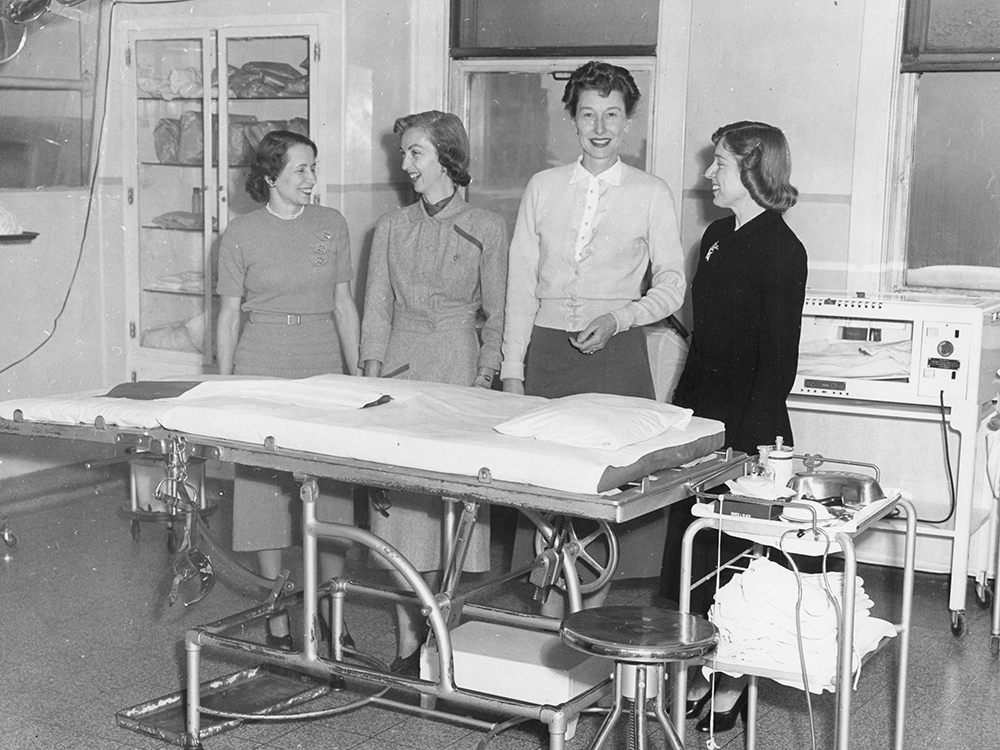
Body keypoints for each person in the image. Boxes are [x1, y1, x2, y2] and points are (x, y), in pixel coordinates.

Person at [499, 60, 686, 610]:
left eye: (612, 114)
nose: (599, 127)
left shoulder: (651, 192)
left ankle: (596, 626)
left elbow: (672, 286)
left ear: (629, 122)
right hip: (549, 358)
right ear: (571, 120)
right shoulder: (543, 186)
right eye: (587, 114)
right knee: (548, 494)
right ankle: (555, 621)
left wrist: (623, 316)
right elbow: (520, 286)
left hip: (617, 356)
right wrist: (513, 369)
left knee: (610, 495)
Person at [660, 121, 807, 733]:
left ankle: (733, 683)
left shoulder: (783, 249)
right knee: (694, 557)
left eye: (718, 163)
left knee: (740, 563)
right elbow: (702, 341)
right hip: (701, 416)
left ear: (752, 169)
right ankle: (702, 668)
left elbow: (779, 364)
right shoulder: (718, 236)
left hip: (750, 427)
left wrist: (744, 453)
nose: (707, 174)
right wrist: (680, 423)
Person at [360, 110, 508, 676]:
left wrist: (484, 380)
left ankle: (443, 637)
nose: (405, 165)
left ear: (447, 156)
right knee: (397, 511)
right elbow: (376, 309)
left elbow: (494, 315)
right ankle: (404, 642)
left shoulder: (487, 227)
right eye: (403, 154)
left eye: (415, 153)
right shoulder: (391, 227)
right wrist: (370, 385)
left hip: (455, 370)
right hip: (398, 372)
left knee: (449, 511)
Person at [216, 130, 361, 650]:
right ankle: (276, 612)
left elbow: (344, 304)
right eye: (301, 170)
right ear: (271, 176)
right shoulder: (240, 232)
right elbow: (229, 314)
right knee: (263, 493)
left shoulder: (332, 224)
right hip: (262, 362)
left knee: (332, 490)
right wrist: (226, 383)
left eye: (314, 168)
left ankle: (331, 610)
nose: (311, 179)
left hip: (323, 360)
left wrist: (357, 375)